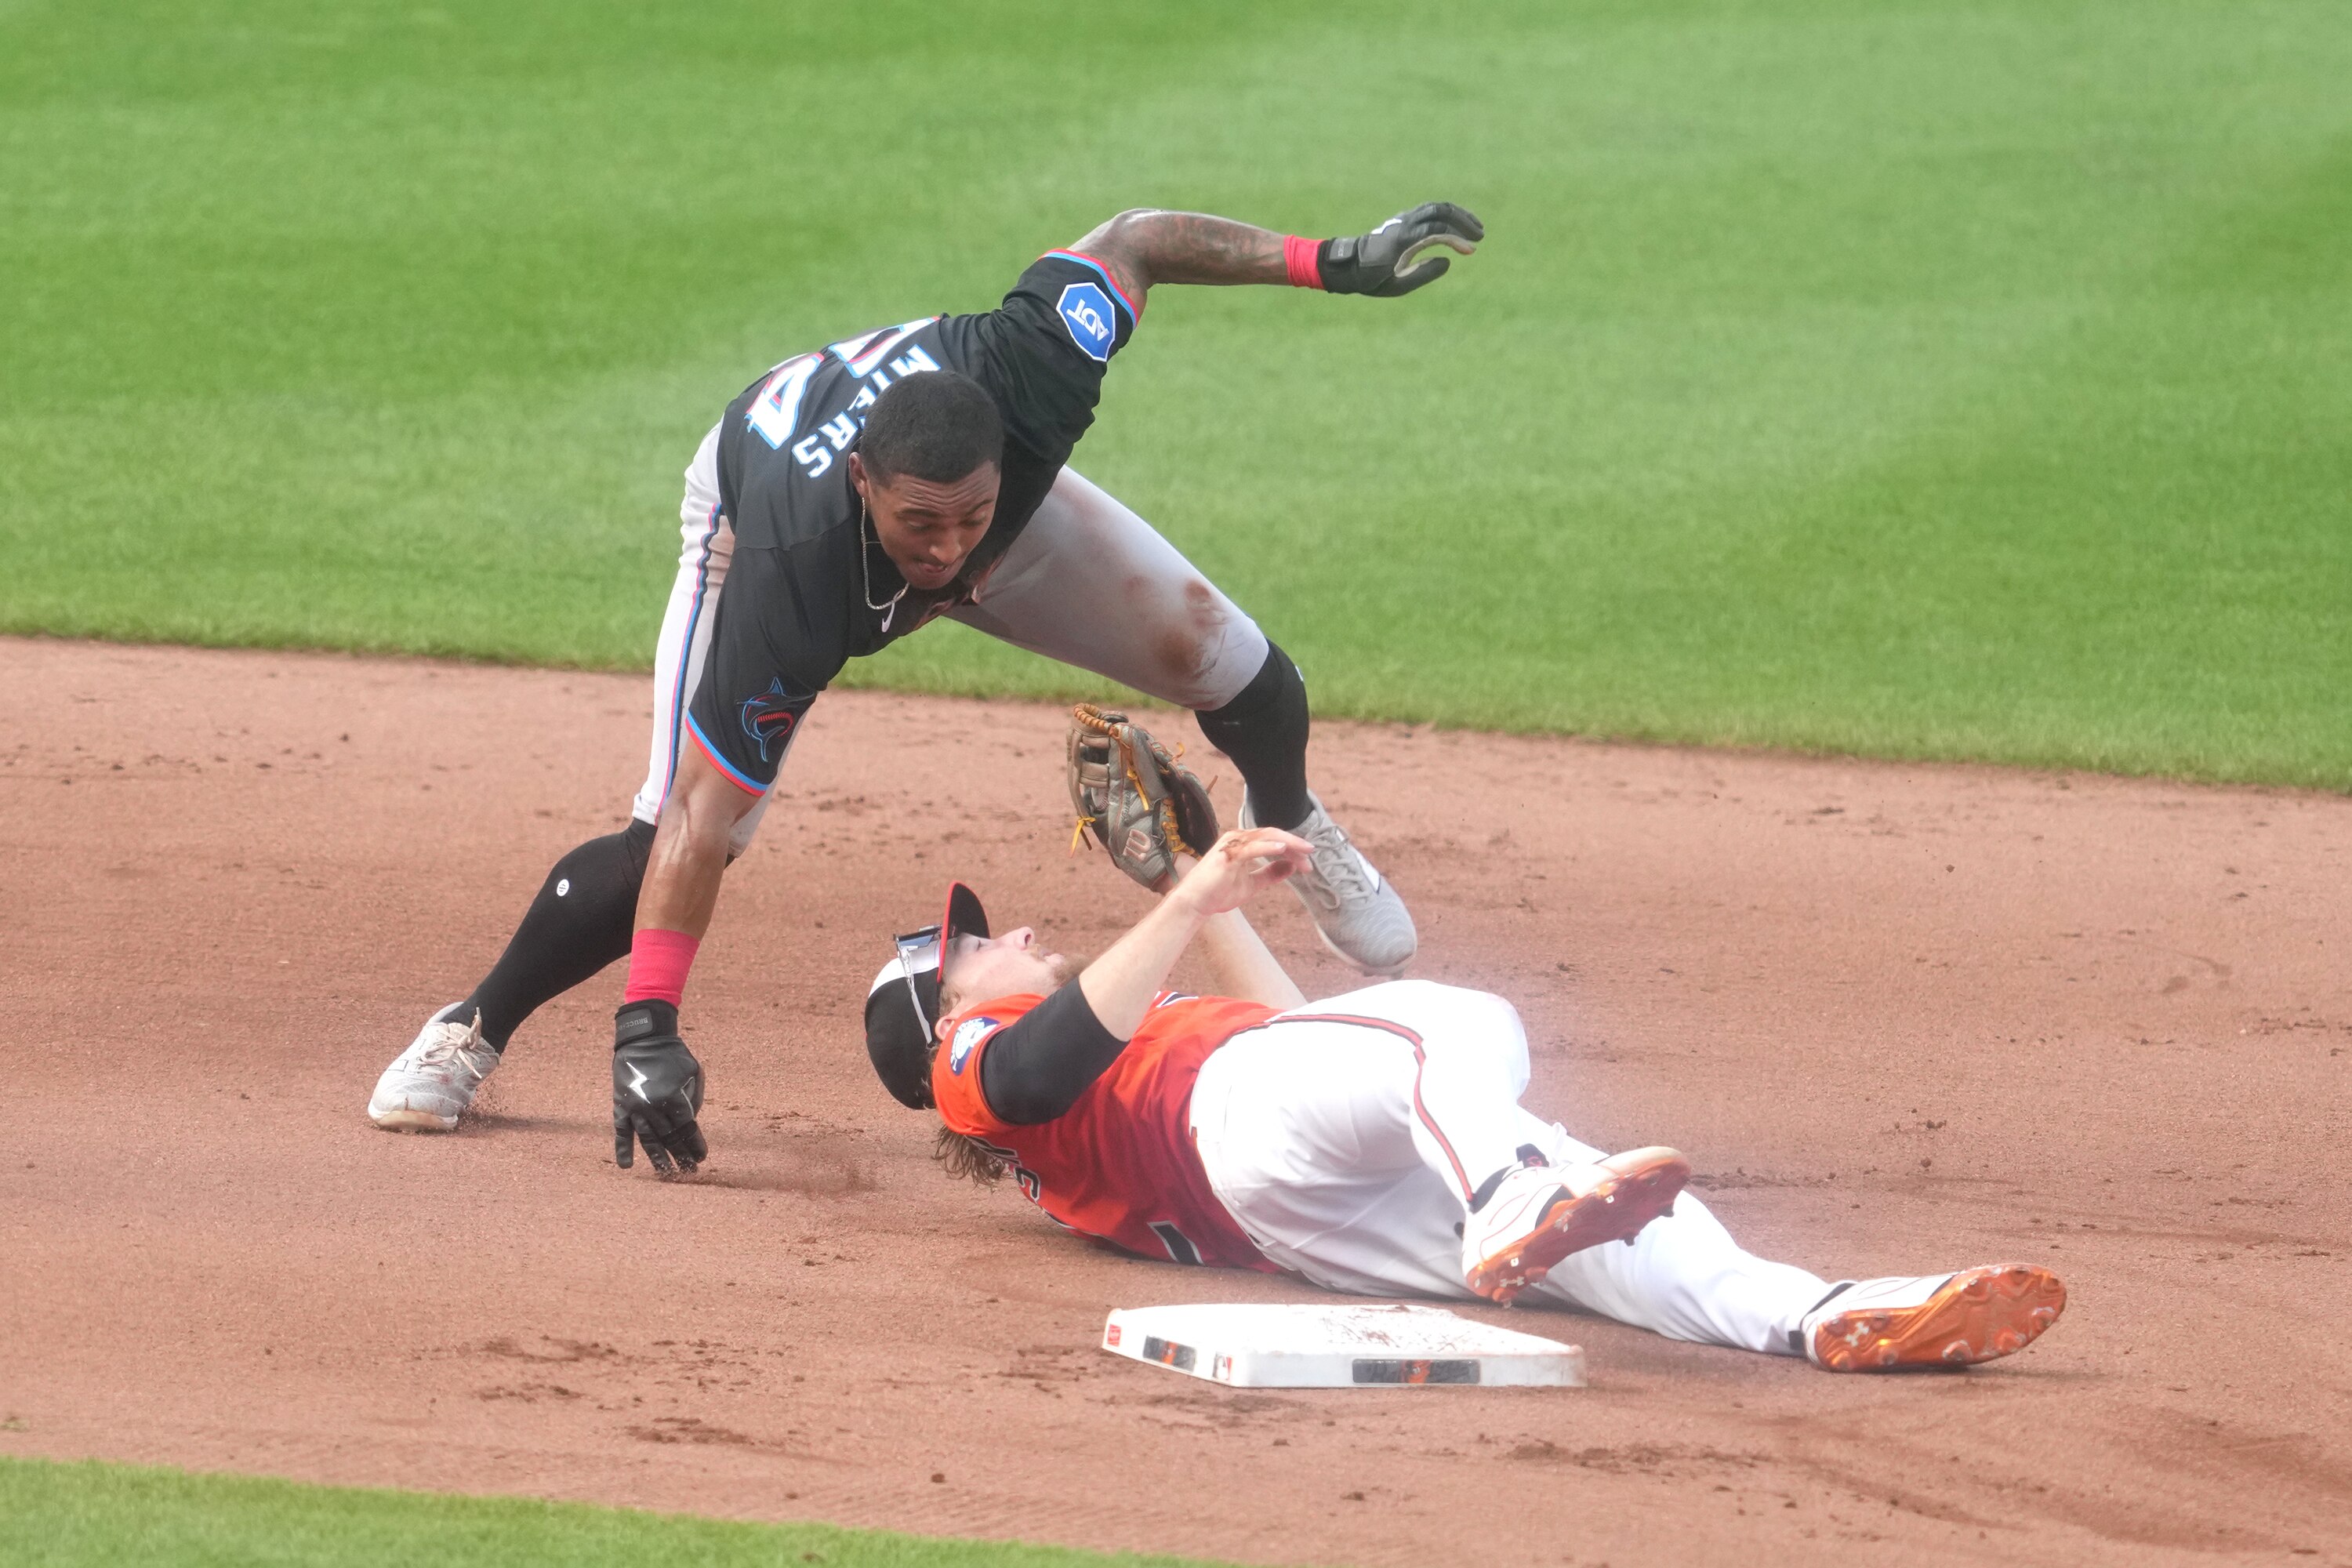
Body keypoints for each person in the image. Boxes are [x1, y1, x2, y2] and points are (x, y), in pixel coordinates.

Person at [368, 203, 1487, 1165]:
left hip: (959, 483)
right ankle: (472, 1028)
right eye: (921, 528)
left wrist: (1329, 260)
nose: (947, 554)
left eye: (969, 519)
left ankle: (1292, 819)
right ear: (866, 484)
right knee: (679, 824)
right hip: (751, 508)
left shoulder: (1037, 369)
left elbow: (1138, 240)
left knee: (1238, 667)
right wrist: (646, 1029)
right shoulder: (791, 573)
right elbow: (702, 818)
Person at [860, 830, 2069, 1372]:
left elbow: (1299, 1040)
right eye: (977, 947)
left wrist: (1193, 884)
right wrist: (1181, 903)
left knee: (1615, 1230)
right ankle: (1505, 1195)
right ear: (942, 1014)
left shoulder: (1082, 1087)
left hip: (1304, 1219)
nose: (1016, 932)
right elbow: (1033, 1070)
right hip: (1235, 1134)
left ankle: (1823, 1317)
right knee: (1454, 1023)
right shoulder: (973, 1065)